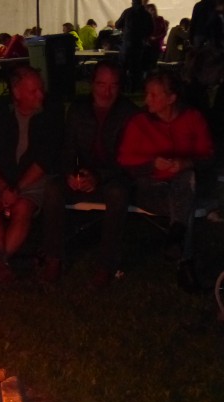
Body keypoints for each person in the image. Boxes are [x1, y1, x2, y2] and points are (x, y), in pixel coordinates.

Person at [40, 61, 139, 288]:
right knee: (53, 189)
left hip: (112, 177)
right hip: (83, 175)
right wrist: (71, 173)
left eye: (113, 85)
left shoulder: (129, 113)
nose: (107, 91)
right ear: (92, 84)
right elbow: (68, 148)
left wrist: (99, 177)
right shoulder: (78, 110)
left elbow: (128, 158)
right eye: (102, 84)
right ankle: (53, 258)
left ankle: (106, 265)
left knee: (117, 193)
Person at [117, 70, 214, 291]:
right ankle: (184, 259)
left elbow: (208, 155)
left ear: (171, 98)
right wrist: (152, 164)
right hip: (151, 187)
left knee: (186, 179)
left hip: (182, 186)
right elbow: (124, 159)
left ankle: (179, 243)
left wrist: (186, 163)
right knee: (184, 206)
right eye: (147, 94)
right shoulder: (140, 123)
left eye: (154, 95)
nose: (147, 100)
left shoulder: (192, 118)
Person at [0, 66, 64, 284]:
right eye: (33, 91)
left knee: (23, 206)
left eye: (41, 89)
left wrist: (17, 189)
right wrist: (3, 187)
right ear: (17, 92)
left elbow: (44, 160)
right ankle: (1, 262)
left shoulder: (50, 112)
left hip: (32, 178)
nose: (40, 95)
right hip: (1, 177)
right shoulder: (0, 112)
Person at [116, 0, 154, 91]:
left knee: (123, 68)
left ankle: (122, 88)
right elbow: (151, 29)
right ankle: (135, 88)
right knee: (136, 69)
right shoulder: (147, 15)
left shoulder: (127, 12)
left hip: (127, 44)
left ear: (132, 2)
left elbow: (117, 24)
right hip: (139, 45)